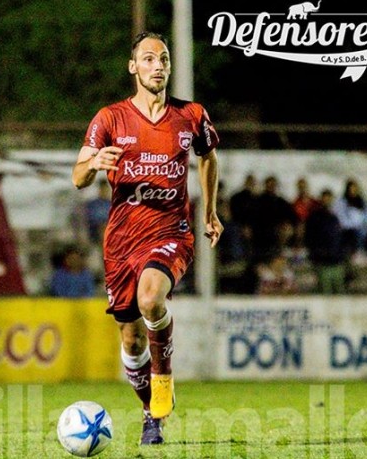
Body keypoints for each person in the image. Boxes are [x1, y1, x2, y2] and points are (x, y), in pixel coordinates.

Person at [70, 32, 222, 446]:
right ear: (133, 66)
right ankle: (149, 413)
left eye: (164, 58)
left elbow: (209, 157)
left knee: (152, 298)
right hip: (122, 241)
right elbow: (78, 177)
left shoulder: (190, 115)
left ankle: (163, 381)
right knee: (131, 337)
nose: (158, 65)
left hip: (171, 231)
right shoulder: (110, 119)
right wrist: (95, 163)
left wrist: (208, 211)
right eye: (149, 58)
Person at [305, 190, 346, 294]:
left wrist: (340, 254)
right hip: (322, 262)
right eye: (325, 198)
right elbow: (310, 238)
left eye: (329, 198)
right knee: (325, 291)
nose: (327, 201)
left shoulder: (335, 218)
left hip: (336, 261)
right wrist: (316, 254)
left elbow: (339, 238)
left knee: (339, 291)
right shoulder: (314, 217)